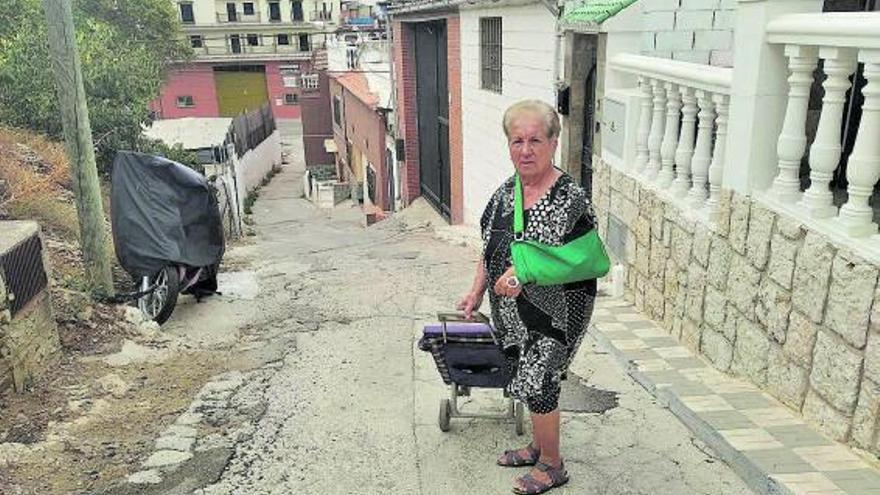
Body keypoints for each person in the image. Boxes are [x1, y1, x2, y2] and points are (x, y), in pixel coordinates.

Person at [457, 99, 598, 494]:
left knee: (541, 377)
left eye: (536, 139)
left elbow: (582, 258)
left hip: (560, 308)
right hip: (511, 310)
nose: (525, 149)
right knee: (526, 373)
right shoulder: (506, 193)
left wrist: (525, 273)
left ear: (554, 142)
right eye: (517, 140)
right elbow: (490, 248)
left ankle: (553, 465)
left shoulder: (569, 198)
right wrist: (475, 292)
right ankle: (539, 446)